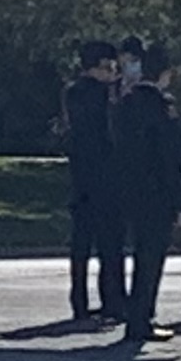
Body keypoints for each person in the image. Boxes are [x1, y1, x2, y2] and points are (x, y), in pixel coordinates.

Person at [110, 45, 181, 352]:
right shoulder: (161, 105)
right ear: (165, 74)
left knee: (138, 253)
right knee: (151, 258)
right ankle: (141, 319)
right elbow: (169, 158)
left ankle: (135, 315)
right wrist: (179, 200)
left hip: (129, 189)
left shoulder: (126, 102)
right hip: (156, 193)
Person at [60, 39, 122, 325]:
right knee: (109, 246)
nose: (113, 73)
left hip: (81, 179)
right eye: (109, 67)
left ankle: (81, 302)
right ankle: (112, 300)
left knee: (82, 247)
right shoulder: (102, 96)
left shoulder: (72, 94)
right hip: (104, 179)